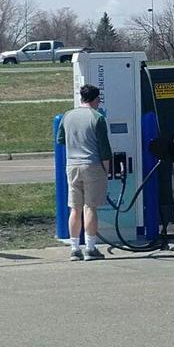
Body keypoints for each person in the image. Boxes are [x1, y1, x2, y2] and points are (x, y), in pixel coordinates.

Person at [60, 83, 114, 259]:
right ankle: (91, 248)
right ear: (96, 99)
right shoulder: (97, 118)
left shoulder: (67, 116)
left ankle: (74, 248)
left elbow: (61, 139)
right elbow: (104, 149)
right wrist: (107, 169)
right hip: (92, 165)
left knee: (74, 208)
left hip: (72, 166)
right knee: (90, 207)